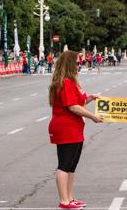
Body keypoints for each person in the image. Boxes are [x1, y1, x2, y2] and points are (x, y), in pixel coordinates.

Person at [48, 50, 103, 209]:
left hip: (75, 127)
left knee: (72, 166)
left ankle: (70, 198)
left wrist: (90, 98)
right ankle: (64, 200)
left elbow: (78, 101)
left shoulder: (72, 82)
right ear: (70, 64)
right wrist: (92, 116)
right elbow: (72, 106)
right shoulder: (65, 82)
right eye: (78, 63)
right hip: (66, 127)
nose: (81, 65)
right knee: (64, 164)